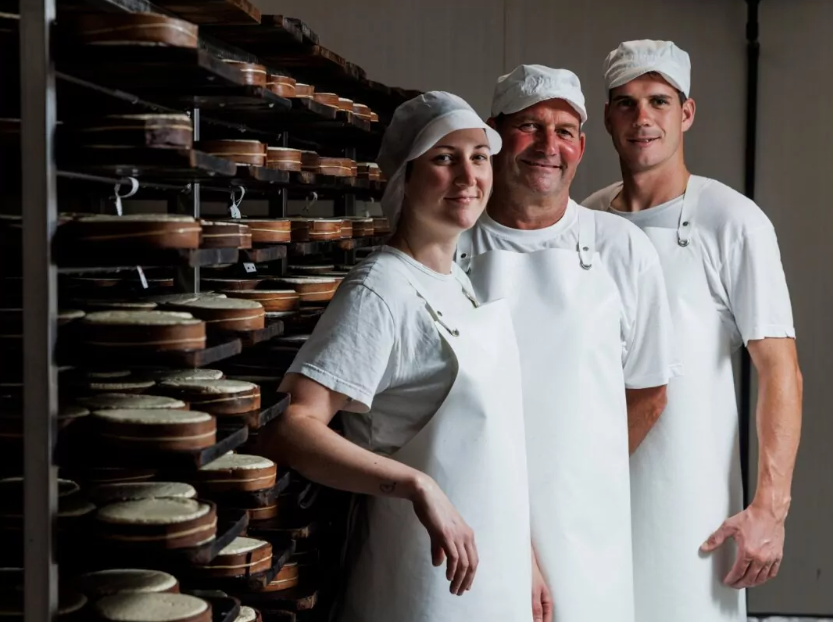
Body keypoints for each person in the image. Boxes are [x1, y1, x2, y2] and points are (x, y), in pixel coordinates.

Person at [259, 92, 534, 622]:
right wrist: (417, 484)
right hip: (417, 582)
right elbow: (291, 426)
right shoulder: (380, 289)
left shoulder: (457, 280)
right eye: (443, 157)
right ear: (405, 178)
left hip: (489, 577)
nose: (468, 174)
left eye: (478, 155)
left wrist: (526, 562)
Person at [583, 40, 803, 622]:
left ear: (686, 113)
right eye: (625, 104)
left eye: (659, 100)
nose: (642, 118)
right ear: (606, 117)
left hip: (691, 504)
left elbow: (781, 369)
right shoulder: (585, 221)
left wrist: (770, 507)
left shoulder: (731, 221)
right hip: (588, 490)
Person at [456, 65, 678, 622]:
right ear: (492, 135)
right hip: (466, 508)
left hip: (581, 523)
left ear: (581, 145)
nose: (548, 146)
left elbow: (649, 393)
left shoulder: (623, 249)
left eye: (563, 131)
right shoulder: (450, 244)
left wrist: (579, 474)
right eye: (530, 126)